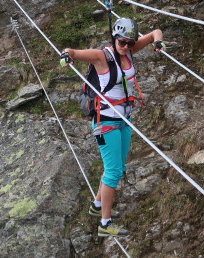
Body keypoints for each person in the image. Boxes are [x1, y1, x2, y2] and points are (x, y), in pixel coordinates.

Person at [61, 17, 165, 237]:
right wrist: (66, 55)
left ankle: (97, 206)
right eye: (122, 42)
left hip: (124, 119)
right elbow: (73, 51)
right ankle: (104, 225)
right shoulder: (102, 56)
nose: (126, 46)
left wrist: (158, 43)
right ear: (115, 38)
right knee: (114, 171)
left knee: (118, 166)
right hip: (105, 121)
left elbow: (156, 31)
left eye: (130, 42)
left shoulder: (129, 51)